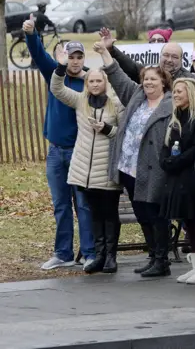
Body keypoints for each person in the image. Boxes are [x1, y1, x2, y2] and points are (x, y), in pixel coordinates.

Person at [22, 16, 96, 270]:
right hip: (55, 153)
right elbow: (39, 54)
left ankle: (89, 253)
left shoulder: (91, 83)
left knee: (84, 205)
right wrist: (31, 34)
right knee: (61, 206)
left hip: (80, 153)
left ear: (84, 59)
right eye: (71, 57)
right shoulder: (55, 75)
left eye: (79, 57)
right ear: (65, 58)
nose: (75, 61)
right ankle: (63, 254)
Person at [96, 41, 174, 278]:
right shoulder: (136, 96)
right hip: (130, 168)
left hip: (155, 170)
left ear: (164, 83)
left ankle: (163, 260)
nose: (149, 82)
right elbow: (117, 76)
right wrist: (104, 52)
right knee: (142, 215)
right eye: (146, 79)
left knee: (157, 215)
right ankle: (153, 256)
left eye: (154, 79)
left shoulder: (171, 104)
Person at [49, 48, 125, 274]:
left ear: (105, 82)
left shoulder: (115, 103)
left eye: (98, 81)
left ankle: (111, 256)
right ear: (86, 82)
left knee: (110, 213)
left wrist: (108, 129)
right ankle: (98, 255)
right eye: (90, 80)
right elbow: (57, 88)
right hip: (85, 170)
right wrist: (61, 67)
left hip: (106, 168)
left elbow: (122, 132)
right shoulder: (81, 101)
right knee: (94, 213)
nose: (94, 84)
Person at [159, 78, 195, 284]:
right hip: (176, 178)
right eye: (175, 91)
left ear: (190, 93)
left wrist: (178, 160)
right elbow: (167, 145)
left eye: (180, 91)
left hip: (193, 177)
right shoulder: (175, 118)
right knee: (187, 220)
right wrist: (165, 160)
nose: (176, 94)